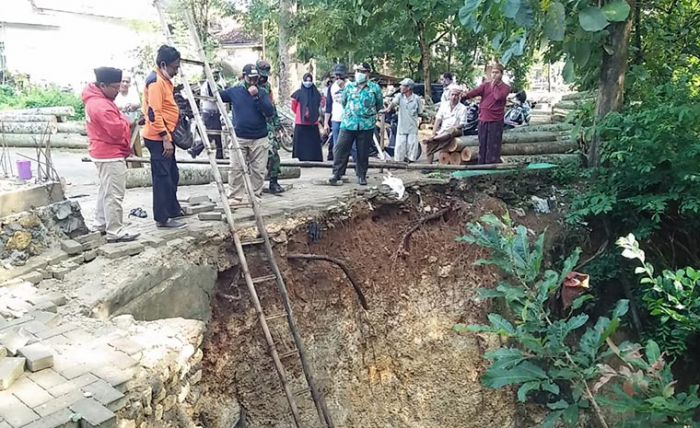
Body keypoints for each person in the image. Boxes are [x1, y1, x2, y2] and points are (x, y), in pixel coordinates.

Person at [82, 67, 139, 243]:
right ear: (103, 85)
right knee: (114, 193)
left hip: (102, 151)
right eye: (115, 87)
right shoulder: (100, 105)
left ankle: (101, 223)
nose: (117, 91)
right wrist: (125, 123)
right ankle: (115, 230)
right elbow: (117, 131)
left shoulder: (97, 99)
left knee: (105, 190)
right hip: (109, 153)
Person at [142, 45, 184, 228]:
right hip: (158, 138)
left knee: (172, 174)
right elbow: (154, 113)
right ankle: (162, 217)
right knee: (162, 178)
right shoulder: (156, 83)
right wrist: (165, 138)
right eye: (175, 67)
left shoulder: (164, 81)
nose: (176, 71)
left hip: (166, 135)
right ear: (164, 64)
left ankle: (173, 209)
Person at [219, 64, 275, 203]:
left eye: (255, 79)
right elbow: (218, 95)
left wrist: (257, 97)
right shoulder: (235, 91)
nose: (253, 81)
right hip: (240, 136)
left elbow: (269, 112)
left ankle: (255, 195)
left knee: (258, 170)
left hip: (259, 137)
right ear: (244, 77)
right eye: (250, 78)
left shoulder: (262, 92)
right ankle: (235, 196)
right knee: (236, 168)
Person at [327, 62, 383, 186]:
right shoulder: (349, 87)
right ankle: (337, 174)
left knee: (362, 152)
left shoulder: (374, 88)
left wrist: (368, 114)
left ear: (368, 73)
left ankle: (361, 175)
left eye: (362, 71)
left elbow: (379, 104)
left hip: (366, 125)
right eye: (358, 71)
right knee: (341, 149)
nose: (359, 74)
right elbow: (344, 102)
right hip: (348, 123)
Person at [463, 63, 511, 164]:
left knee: (493, 146)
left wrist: (494, 86)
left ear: (501, 74)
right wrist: (463, 96)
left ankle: (491, 169)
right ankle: (481, 167)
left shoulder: (505, 87)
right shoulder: (485, 86)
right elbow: (474, 92)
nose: (494, 75)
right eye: (493, 72)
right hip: (483, 119)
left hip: (496, 121)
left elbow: (498, 97)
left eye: (496, 73)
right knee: (482, 146)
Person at [255, 60, 285, 194]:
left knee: (273, 153)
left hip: (268, 124)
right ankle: (254, 185)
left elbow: (272, 105)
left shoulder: (267, 87)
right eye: (261, 74)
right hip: (254, 123)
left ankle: (274, 181)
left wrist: (277, 124)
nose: (263, 77)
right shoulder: (248, 85)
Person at [426, 85, 469, 164]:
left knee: (452, 130)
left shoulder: (463, 108)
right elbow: (438, 119)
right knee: (430, 144)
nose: (454, 97)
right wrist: (433, 133)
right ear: (449, 95)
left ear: (459, 96)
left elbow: (462, 124)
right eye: (452, 95)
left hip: (456, 131)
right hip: (443, 131)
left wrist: (453, 128)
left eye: (456, 95)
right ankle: (429, 166)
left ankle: (435, 138)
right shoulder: (444, 105)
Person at [383, 78, 423, 162]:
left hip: (412, 125)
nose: (400, 87)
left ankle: (411, 160)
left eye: (402, 86)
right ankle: (398, 161)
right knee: (400, 144)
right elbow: (393, 104)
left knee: (412, 144)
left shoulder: (416, 99)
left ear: (408, 88)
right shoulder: (399, 96)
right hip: (402, 125)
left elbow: (420, 112)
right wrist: (387, 109)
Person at [188, 69, 225, 159]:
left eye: (217, 74)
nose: (216, 76)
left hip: (212, 113)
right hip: (210, 113)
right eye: (214, 74)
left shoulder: (212, 84)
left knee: (217, 134)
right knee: (211, 135)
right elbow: (213, 96)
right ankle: (195, 150)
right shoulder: (209, 84)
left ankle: (219, 155)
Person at [291, 73, 323, 161]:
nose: (308, 83)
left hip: (313, 122)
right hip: (300, 122)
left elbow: (320, 104)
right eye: (306, 81)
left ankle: (314, 159)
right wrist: (300, 114)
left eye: (310, 81)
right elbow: (293, 107)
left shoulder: (317, 94)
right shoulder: (297, 94)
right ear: (303, 81)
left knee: (313, 143)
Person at [323, 64, 347, 161]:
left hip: (348, 119)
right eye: (336, 76)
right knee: (336, 144)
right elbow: (328, 106)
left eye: (340, 76)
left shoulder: (351, 86)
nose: (338, 78)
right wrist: (325, 123)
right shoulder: (332, 88)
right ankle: (337, 168)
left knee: (350, 145)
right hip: (336, 119)